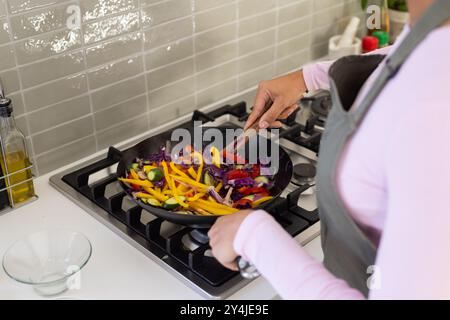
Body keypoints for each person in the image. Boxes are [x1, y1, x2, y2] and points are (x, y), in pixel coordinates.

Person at [208, 0, 450, 299]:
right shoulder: (434, 26)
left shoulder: (435, 109)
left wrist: (253, 235)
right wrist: (307, 78)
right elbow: (401, 56)